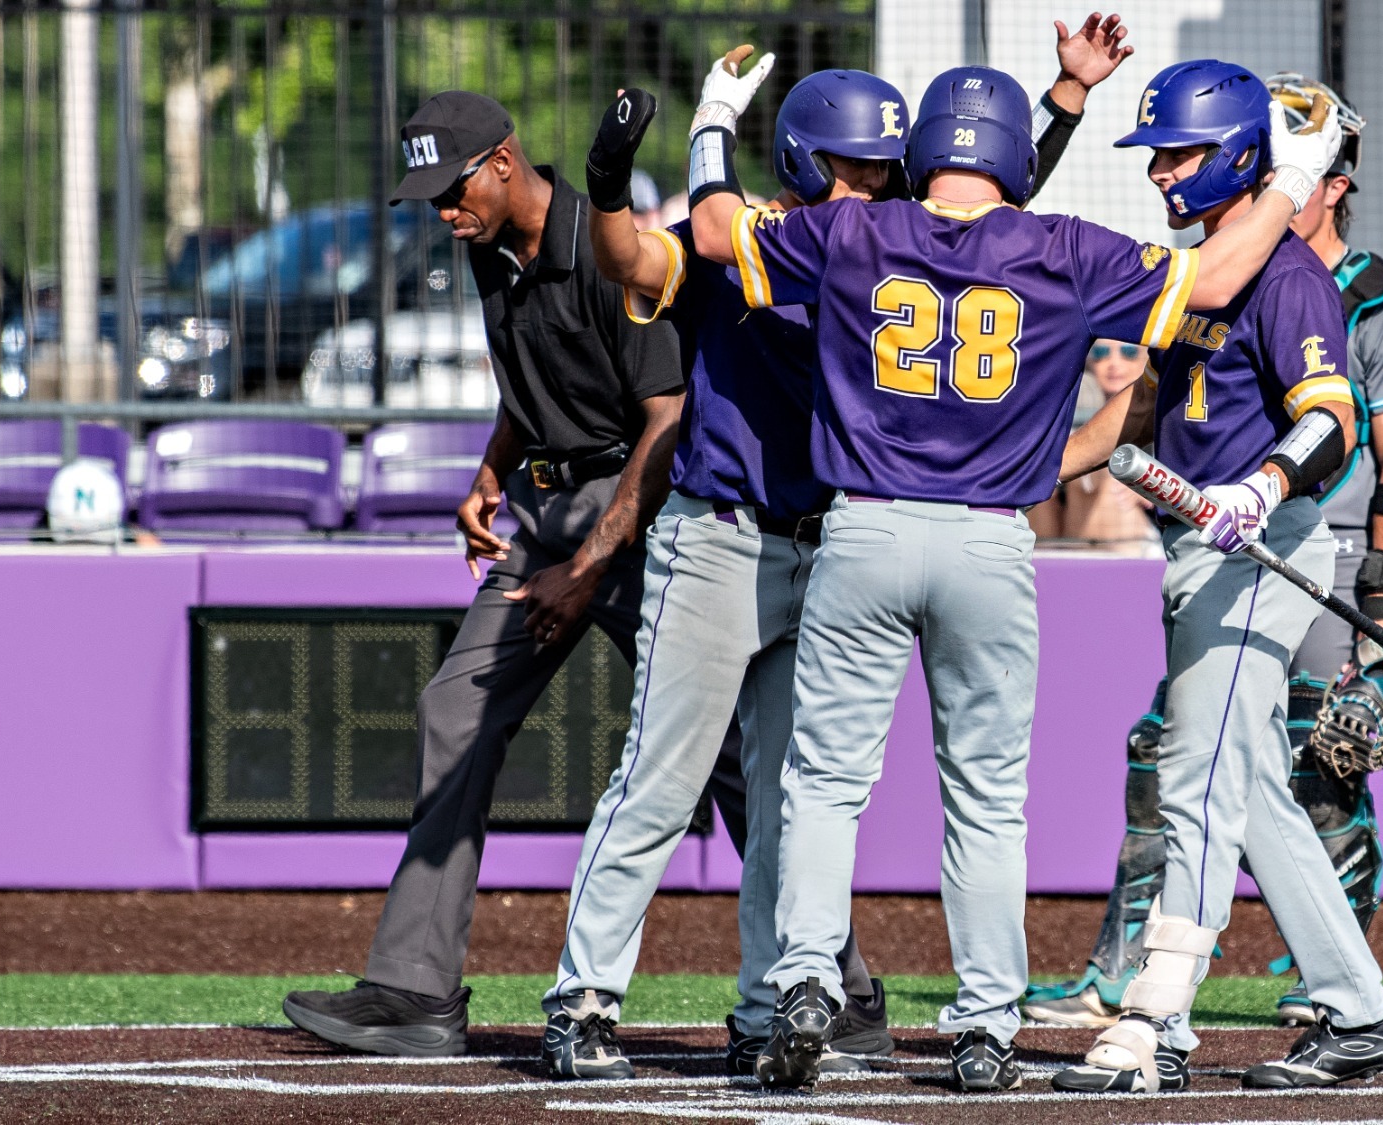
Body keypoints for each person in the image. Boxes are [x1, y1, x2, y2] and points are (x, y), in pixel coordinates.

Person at [684, 51, 1337, 1092]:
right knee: (985, 799)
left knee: (822, 784)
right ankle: (985, 1021)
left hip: (862, 528)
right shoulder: (1063, 248)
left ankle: (804, 974)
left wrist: (712, 122)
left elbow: (715, 230)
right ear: (1011, 159)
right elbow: (1214, 278)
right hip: (991, 539)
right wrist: (1293, 180)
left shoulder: (853, 227)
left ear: (914, 150)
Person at [540, 14, 1137, 1082]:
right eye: (857, 168)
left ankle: (769, 1005)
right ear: (810, 162)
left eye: (884, 169)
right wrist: (609, 175)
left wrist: (1058, 105)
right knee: (663, 781)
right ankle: (583, 997)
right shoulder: (789, 232)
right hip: (722, 535)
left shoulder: (865, 237)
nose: (873, 185)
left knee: (786, 797)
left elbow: (992, 215)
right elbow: (631, 252)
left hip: (833, 549)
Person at [1022, 72, 1383, 1033]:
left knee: (1200, 768)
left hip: (1262, 545)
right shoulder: (1198, 262)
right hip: (1200, 549)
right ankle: (1358, 1003)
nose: (1162, 173)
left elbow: (1338, 422)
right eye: (1159, 155)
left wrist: (1270, 495)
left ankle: (1155, 1013)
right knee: (1245, 785)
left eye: (1182, 154)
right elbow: (1134, 412)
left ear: (1247, 160)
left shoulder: (1298, 280)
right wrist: (1022, 471)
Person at [280, 90, 684, 1057]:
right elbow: (534, 383)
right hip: (546, 519)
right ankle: (416, 991)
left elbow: (667, 420)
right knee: (453, 711)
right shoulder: (485, 243)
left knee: (722, 752)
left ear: (504, 162)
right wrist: (491, 471)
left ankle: (834, 989)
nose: (439, 210)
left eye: (450, 187)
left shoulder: (606, 240)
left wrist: (589, 567)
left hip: (641, 516)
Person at [1030, 340, 1159, 548]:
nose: (1113, 363)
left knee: (1112, 479)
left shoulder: (1167, 419)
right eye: (1101, 353)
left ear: (1148, 359)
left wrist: (1153, 491)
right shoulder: (1074, 416)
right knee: (1035, 482)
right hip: (1067, 535)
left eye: (1128, 352)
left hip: (1138, 537)